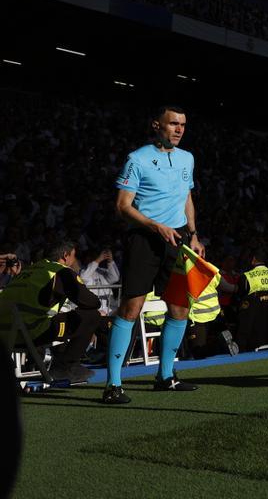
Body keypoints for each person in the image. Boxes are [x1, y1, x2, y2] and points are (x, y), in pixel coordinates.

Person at [103, 105, 204, 405]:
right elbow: (122, 206)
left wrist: (194, 233)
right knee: (131, 309)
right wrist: (155, 226)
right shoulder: (137, 159)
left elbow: (186, 196)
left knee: (179, 309)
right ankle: (113, 385)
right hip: (144, 240)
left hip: (177, 240)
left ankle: (166, 376)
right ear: (156, 125)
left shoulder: (188, 158)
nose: (179, 129)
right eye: (173, 124)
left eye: (183, 125)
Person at [0, 240, 101, 385]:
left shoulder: (28, 270)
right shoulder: (60, 271)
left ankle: (61, 361)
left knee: (58, 319)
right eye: (74, 256)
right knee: (91, 315)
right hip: (30, 333)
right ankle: (65, 367)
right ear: (66, 256)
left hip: (4, 335)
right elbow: (91, 302)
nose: (75, 260)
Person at [80, 244, 120, 316]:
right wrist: (97, 260)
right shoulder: (83, 272)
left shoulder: (101, 270)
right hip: (95, 309)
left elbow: (115, 278)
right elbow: (84, 278)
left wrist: (110, 261)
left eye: (95, 256)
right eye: (92, 257)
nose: (93, 259)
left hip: (110, 307)